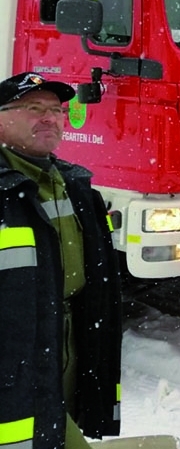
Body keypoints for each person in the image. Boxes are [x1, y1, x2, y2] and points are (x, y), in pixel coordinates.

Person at [0, 72, 122, 449]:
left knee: (55, 427)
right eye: (33, 108)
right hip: (14, 353)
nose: (50, 118)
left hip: (67, 341)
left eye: (56, 110)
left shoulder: (77, 187)